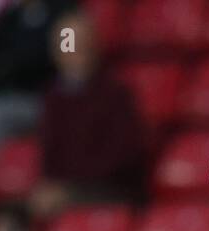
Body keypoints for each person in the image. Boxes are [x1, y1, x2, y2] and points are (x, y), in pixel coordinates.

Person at [30, 8, 146, 218]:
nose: (77, 51)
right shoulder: (53, 97)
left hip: (109, 191)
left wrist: (70, 188)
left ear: (95, 46)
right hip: (65, 190)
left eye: (82, 44)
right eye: (69, 44)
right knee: (10, 212)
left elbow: (123, 157)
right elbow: (49, 154)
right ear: (56, 51)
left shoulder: (116, 94)